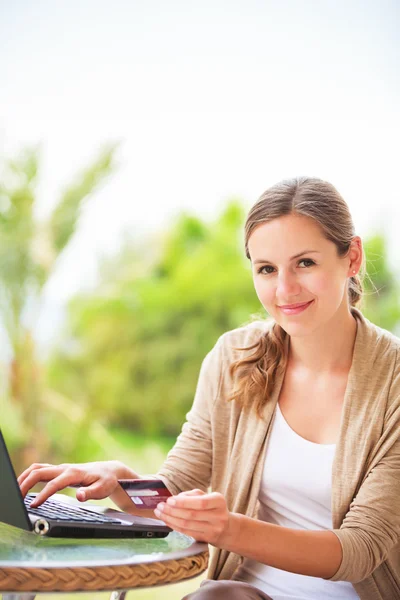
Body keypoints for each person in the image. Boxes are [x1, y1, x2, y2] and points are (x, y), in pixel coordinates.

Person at [18, 177, 400, 600]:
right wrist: (122, 483)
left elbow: (363, 549)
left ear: (352, 258)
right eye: (267, 269)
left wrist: (228, 528)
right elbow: (177, 490)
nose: (285, 289)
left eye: (305, 263)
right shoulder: (233, 358)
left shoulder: (393, 381)